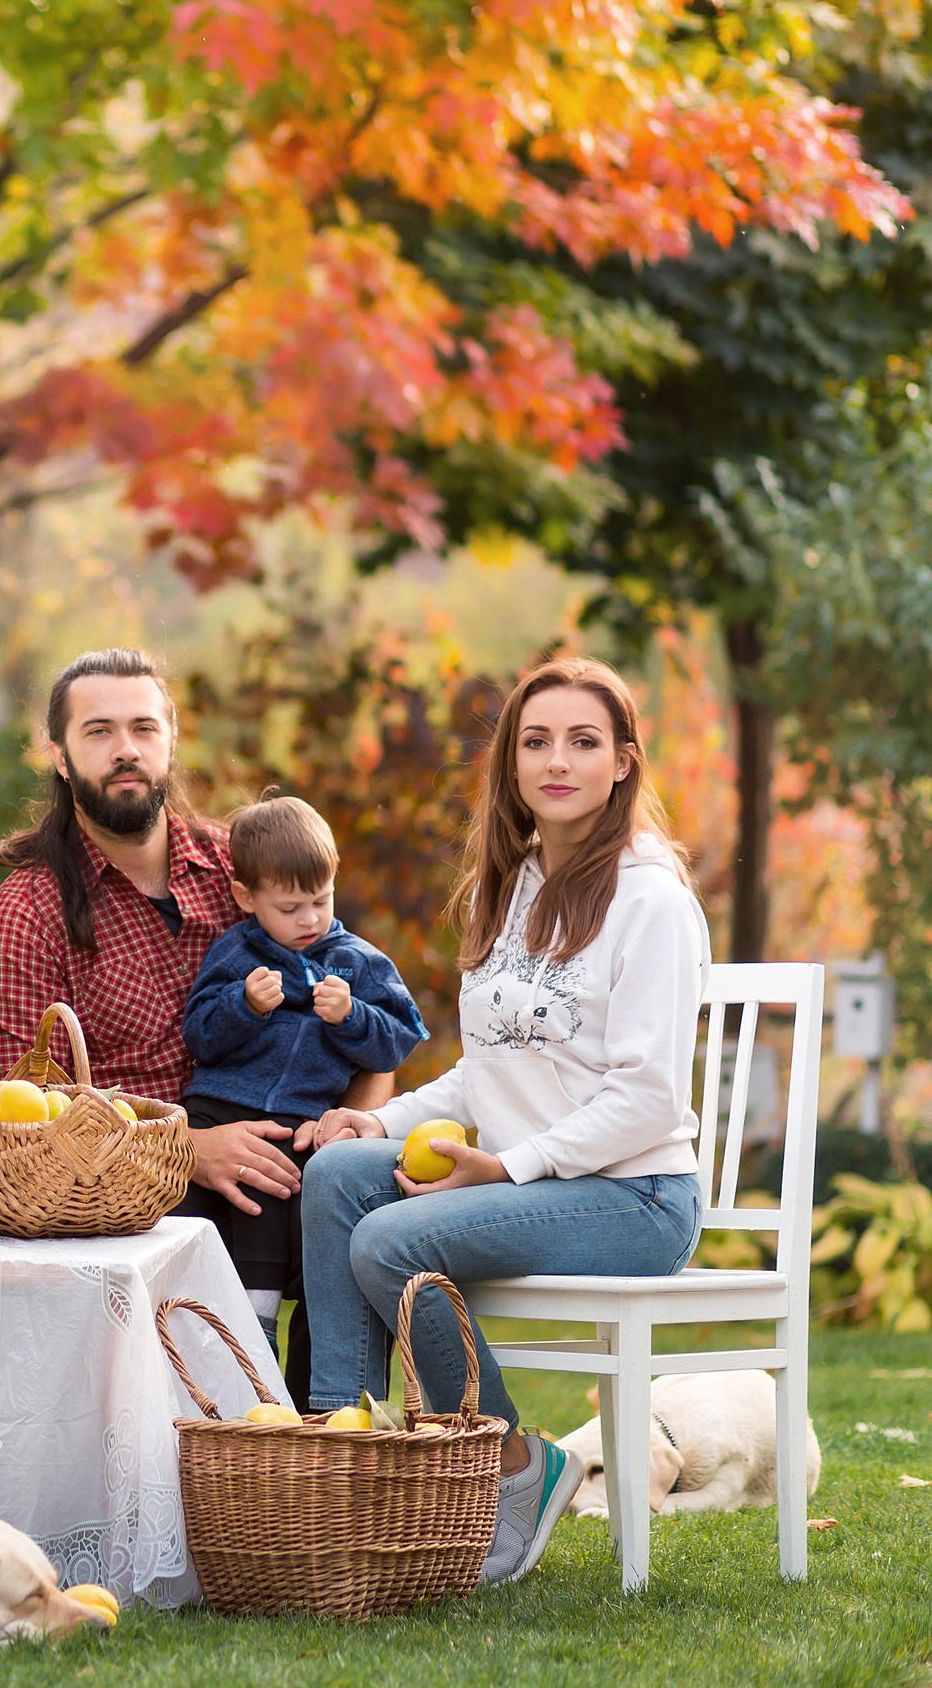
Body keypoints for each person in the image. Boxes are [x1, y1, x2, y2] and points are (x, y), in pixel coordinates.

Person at [301, 658, 708, 1587]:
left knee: (391, 1243)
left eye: (583, 741)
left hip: (636, 1196)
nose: (556, 760)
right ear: (511, 764)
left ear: (623, 762)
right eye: (536, 741)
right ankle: (343, 1450)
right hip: (546, 1181)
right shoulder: (515, 884)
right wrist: (379, 1120)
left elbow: (648, 1098)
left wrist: (508, 1166)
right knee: (336, 1177)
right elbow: (487, 1071)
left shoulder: (651, 901)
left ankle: (514, 1464)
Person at [0, 649, 395, 1234]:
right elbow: (16, 1124)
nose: (126, 749)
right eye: (99, 731)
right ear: (60, 758)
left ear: (171, 741)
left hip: (305, 1175)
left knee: (380, 1253)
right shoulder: (26, 914)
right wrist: (188, 1150)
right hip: (126, 1213)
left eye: (144, 728)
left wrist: (348, 1133)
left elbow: (374, 1029)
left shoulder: (247, 872)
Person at [176, 795, 427, 1329]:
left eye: (320, 900)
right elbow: (199, 1037)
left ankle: (259, 1326)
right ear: (246, 897)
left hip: (299, 1117)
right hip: (215, 1108)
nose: (309, 919)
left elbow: (399, 1040)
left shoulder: (358, 961)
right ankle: (202, 1331)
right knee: (192, 1215)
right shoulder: (233, 955)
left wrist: (353, 1017)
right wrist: (243, 1006)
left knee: (272, 1191)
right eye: (289, 909)